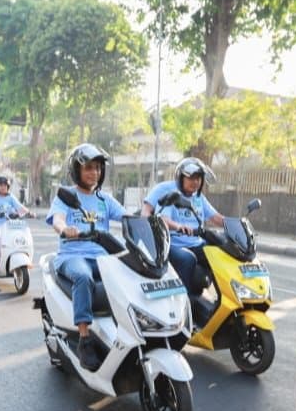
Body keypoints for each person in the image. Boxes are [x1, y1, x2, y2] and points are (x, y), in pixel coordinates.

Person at [49, 143, 126, 371]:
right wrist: (65, 228)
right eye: (89, 168)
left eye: (98, 168)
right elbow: (57, 219)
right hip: (73, 255)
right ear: (76, 170)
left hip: (101, 257)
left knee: (129, 275)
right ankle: (85, 339)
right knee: (83, 277)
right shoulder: (67, 196)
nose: (94, 173)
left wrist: (151, 221)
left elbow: (127, 217)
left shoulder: (105, 200)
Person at [141, 157, 226, 299]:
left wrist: (238, 224)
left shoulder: (198, 198)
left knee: (219, 254)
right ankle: (185, 300)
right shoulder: (169, 193)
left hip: (195, 242)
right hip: (172, 242)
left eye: (199, 178)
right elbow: (161, 217)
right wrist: (179, 226)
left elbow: (216, 217)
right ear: (181, 177)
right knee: (187, 259)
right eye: (191, 178)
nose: (196, 182)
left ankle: (221, 299)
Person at [0, 174, 34, 265]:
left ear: (8, 186)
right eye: (0, 185)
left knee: (19, 235)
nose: (3, 187)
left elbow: (20, 207)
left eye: (5, 185)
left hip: (8, 225)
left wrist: (30, 213)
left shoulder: (10, 197)